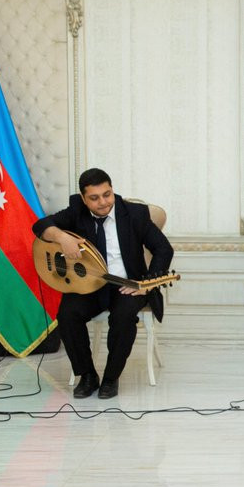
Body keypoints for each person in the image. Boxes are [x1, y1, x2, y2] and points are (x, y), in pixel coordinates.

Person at [32, 168, 173, 400]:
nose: (103, 202)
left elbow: (163, 249)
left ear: (112, 189)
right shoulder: (77, 210)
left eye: (107, 194)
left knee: (123, 317)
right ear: (83, 198)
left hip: (128, 284)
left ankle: (110, 378)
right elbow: (40, 226)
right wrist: (62, 237)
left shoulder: (135, 214)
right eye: (94, 198)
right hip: (89, 284)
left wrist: (147, 283)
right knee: (67, 314)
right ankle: (87, 376)